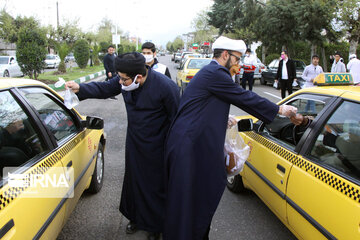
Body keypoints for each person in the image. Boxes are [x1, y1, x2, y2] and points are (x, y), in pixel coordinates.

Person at [163, 36, 297, 240]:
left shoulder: (211, 73)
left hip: (191, 144)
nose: (239, 64)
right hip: (189, 148)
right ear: (225, 55)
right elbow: (243, 97)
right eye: (237, 59)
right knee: (188, 202)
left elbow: (200, 105)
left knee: (195, 199)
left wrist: (221, 117)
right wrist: (278, 108)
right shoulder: (217, 73)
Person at [65, 52, 180, 240]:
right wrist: (80, 88)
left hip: (158, 147)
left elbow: (177, 121)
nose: (120, 83)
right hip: (134, 142)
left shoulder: (166, 88)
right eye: (120, 78)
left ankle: (154, 226)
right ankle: (134, 217)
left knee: (154, 187)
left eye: (124, 80)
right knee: (133, 182)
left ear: (139, 77)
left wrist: (175, 152)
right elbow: (105, 89)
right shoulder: (125, 80)